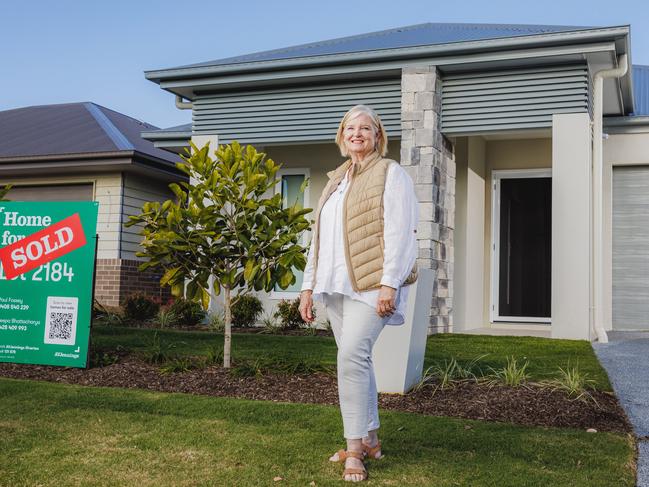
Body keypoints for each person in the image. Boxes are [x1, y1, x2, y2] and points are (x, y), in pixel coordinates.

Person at [299, 104, 418, 482]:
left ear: (377, 136)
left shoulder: (390, 173)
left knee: (351, 357)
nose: (357, 134)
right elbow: (318, 240)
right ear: (342, 135)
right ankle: (371, 439)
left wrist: (390, 283)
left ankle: (354, 449)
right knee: (358, 362)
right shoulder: (335, 179)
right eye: (351, 128)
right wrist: (307, 287)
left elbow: (401, 231)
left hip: (370, 286)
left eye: (365, 128)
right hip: (334, 287)